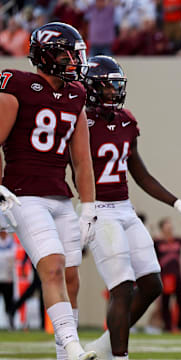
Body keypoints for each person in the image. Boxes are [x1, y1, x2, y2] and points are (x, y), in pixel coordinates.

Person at [82, 55, 181, 360]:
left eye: (116, 86)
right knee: (122, 287)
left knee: (152, 284)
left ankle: (103, 346)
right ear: (91, 88)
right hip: (98, 209)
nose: (114, 92)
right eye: (108, 86)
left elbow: (140, 173)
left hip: (124, 208)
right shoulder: (78, 122)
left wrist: (178, 202)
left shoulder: (126, 119)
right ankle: (119, 355)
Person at [0, 22, 97, 360]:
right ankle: (73, 346)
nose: (74, 60)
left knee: (71, 278)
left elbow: (82, 161)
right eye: (66, 53)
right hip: (23, 194)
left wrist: (88, 207)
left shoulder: (76, 95)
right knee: (52, 267)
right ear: (45, 55)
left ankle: (63, 355)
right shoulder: (18, 85)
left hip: (60, 195)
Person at [154, 217, 181, 333]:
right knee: (166, 301)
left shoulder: (177, 240)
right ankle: (167, 326)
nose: (170, 227)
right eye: (167, 225)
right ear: (162, 228)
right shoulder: (157, 242)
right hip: (165, 275)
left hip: (177, 274)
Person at [0, 226, 15, 329]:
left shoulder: (11, 243)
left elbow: (13, 258)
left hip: (9, 278)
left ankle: (11, 322)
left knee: (8, 301)